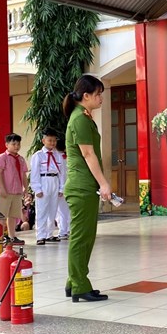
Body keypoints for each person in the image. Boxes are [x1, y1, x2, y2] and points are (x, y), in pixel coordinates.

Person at [63, 74, 111, 302]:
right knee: (82, 238)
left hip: (84, 186)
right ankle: (80, 285)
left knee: (84, 237)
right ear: (86, 96)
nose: (101, 98)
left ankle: (74, 282)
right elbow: (88, 153)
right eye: (98, 94)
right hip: (81, 186)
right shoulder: (80, 119)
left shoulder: (82, 117)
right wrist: (103, 183)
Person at [29, 127, 65, 245]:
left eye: (54, 140)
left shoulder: (58, 155)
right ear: (43, 141)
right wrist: (37, 189)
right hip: (43, 181)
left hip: (55, 181)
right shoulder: (38, 156)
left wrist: (61, 187)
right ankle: (40, 235)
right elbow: (34, 173)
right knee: (42, 210)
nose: (52, 143)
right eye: (50, 140)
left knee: (53, 210)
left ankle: (49, 234)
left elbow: (62, 173)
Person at [0, 133, 28, 245]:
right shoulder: (2, 158)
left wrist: (26, 188)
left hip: (17, 191)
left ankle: (12, 236)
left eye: (18, 144)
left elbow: (23, 175)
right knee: (1, 215)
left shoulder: (21, 159)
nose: (16, 146)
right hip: (4, 191)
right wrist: (2, 188)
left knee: (13, 215)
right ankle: (0, 237)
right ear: (7, 145)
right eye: (13, 144)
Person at [55, 138, 70, 240]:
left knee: (59, 211)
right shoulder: (67, 158)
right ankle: (67, 229)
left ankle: (63, 231)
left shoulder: (57, 158)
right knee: (65, 210)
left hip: (59, 187)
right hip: (67, 186)